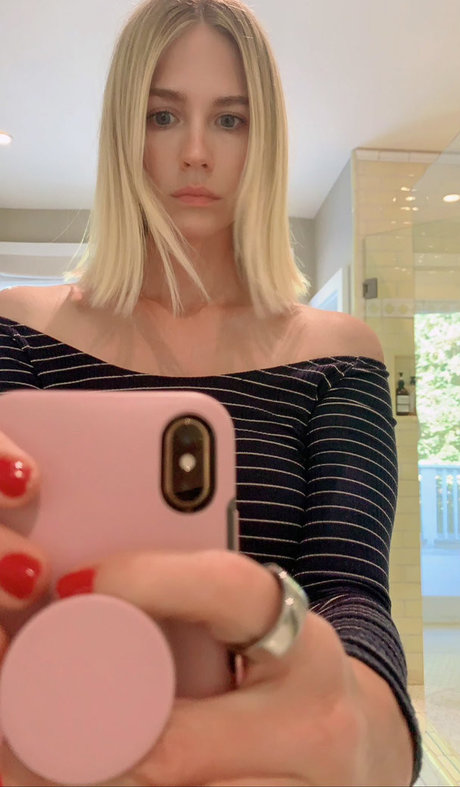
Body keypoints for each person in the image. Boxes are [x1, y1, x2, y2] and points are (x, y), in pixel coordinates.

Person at [0, 0, 421, 783]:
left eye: (230, 121)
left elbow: (351, 593)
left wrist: (367, 725)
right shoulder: (17, 330)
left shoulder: (339, 355)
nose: (195, 153)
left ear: (266, 141)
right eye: (163, 116)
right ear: (122, 131)